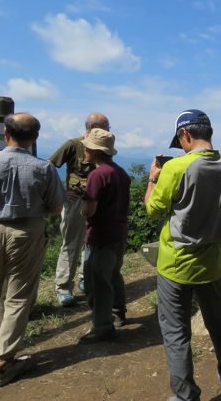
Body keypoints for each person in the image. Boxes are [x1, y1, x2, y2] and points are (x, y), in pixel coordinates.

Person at [144, 109, 221, 401]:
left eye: (181, 140)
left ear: (186, 134)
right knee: (219, 323)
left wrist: (152, 179)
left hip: (176, 265)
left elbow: (153, 210)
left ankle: (185, 396)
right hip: (213, 264)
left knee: (176, 332)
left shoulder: (176, 168)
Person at [0, 113, 65, 388]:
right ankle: (3, 361)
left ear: (5, 133)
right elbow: (57, 207)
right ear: (35, 138)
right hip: (27, 231)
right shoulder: (44, 168)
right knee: (18, 296)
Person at [50, 112, 110, 307]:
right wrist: (61, 192)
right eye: (105, 126)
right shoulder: (73, 145)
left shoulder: (103, 146)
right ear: (94, 128)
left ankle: (85, 279)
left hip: (96, 200)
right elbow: (49, 167)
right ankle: (63, 286)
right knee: (71, 243)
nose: (108, 130)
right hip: (75, 201)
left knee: (90, 242)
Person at [78, 129, 131, 343]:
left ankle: (102, 326)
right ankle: (118, 312)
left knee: (96, 282)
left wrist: (81, 209)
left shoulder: (97, 175)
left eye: (86, 147)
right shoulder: (120, 172)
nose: (84, 149)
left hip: (99, 236)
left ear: (93, 150)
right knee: (113, 275)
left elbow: (90, 210)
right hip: (118, 233)